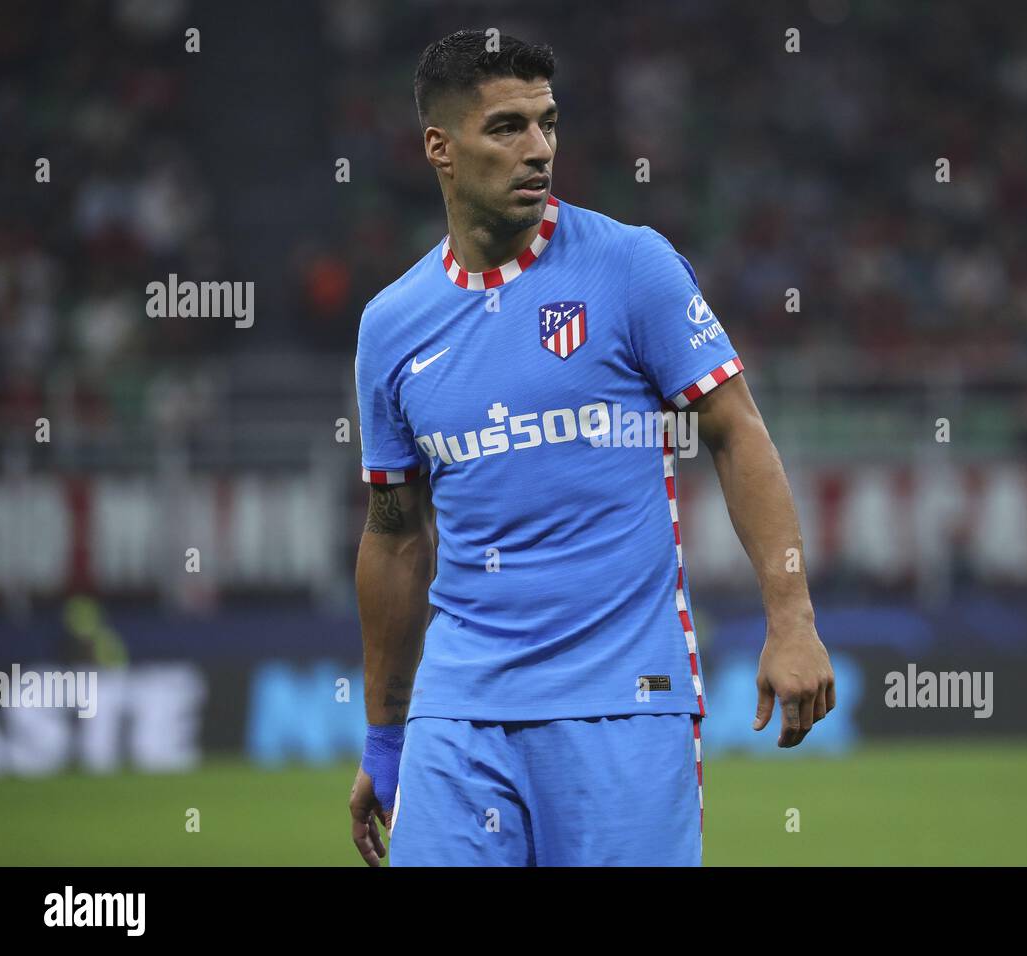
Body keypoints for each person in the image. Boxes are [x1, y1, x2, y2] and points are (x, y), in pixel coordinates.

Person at [348, 29, 834, 866]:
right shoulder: (391, 328)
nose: (539, 149)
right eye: (507, 127)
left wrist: (792, 621)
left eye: (548, 123)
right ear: (441, 147)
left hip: (626, 701)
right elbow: (395, 533)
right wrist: (387, 738)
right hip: (459, 714)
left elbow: (737, 431)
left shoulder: (632, 268)